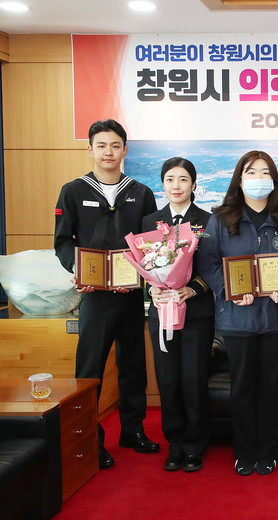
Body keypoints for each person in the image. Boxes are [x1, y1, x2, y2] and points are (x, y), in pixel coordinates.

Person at [54, 119, 159, 469]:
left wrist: (144, 272)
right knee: (90, 368)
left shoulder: (141, 193)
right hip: (94, 295)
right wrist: (77, 270)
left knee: (133, 365)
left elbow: (149, 244)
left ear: (125, 150)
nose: (108, 152)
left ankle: (133, 430)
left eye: (115, 145)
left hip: (130, 294)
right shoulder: (73, 191)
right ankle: (89, 438)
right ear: (90, 150)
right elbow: (63, 241)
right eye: (101, 145)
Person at [197, 150, 278, 476]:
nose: (259, 179)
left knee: (271, 387)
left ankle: (269, 450)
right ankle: (244, 452)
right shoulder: (220, 220)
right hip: (236, 319)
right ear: (240, 180)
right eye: (251, 172)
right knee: (241, 388)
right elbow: (207, 264)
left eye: (265, 172)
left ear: (274, 180)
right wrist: (229, 291)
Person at [143, 157, 214, 472]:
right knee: (168, 379)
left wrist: (192, 289)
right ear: (162, 184)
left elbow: (213, 267)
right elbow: (142, 266)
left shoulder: (208, 221)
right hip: (162, 314)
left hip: (196, 314)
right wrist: (152, 289)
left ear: (194, 184)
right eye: (170, 179)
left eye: (183, 179)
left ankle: (196, 445)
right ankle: (175, 444)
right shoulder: (150, 220)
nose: (176, 185)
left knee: (193, 380)